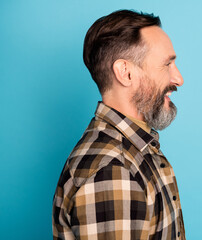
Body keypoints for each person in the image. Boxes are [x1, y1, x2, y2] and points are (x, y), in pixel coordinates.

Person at [52, 10, 185, 240]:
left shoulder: (137, 148)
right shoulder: (112, 170)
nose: (178, 79)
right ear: (126, 73)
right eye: (167, 64)